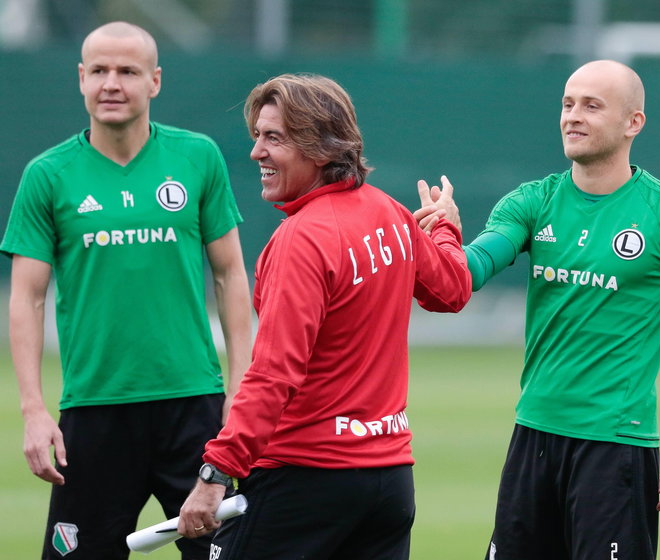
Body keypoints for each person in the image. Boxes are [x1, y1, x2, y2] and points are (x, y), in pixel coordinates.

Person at [416, 60, 660, 559]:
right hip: (532, 438)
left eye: (591, 105)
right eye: (567, 104)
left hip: (616, 448)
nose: (573, 116)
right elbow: (469, 273)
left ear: (634, 123)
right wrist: (444, 234)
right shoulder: (532, 202)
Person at [175, 73, 471, 559]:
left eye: (274, 138)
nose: (256, 153)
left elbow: (273, 374)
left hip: (304, 481)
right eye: (257, 137)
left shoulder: (301, 240)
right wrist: (444, 230)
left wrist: (216, 472)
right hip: (389, 483)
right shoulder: (391, 213)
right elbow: (452, 290)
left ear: (319, 148)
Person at [1, 21, 252, 560]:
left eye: (127, 71)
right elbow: (27, 298)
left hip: (194, 408)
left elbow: (232, 275)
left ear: (155, 81)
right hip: (94, 412)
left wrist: (240, 389)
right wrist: (33, 410)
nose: (111, 83)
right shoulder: (48, 175)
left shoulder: (198, 158)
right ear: (81, 79)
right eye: (99, 71)